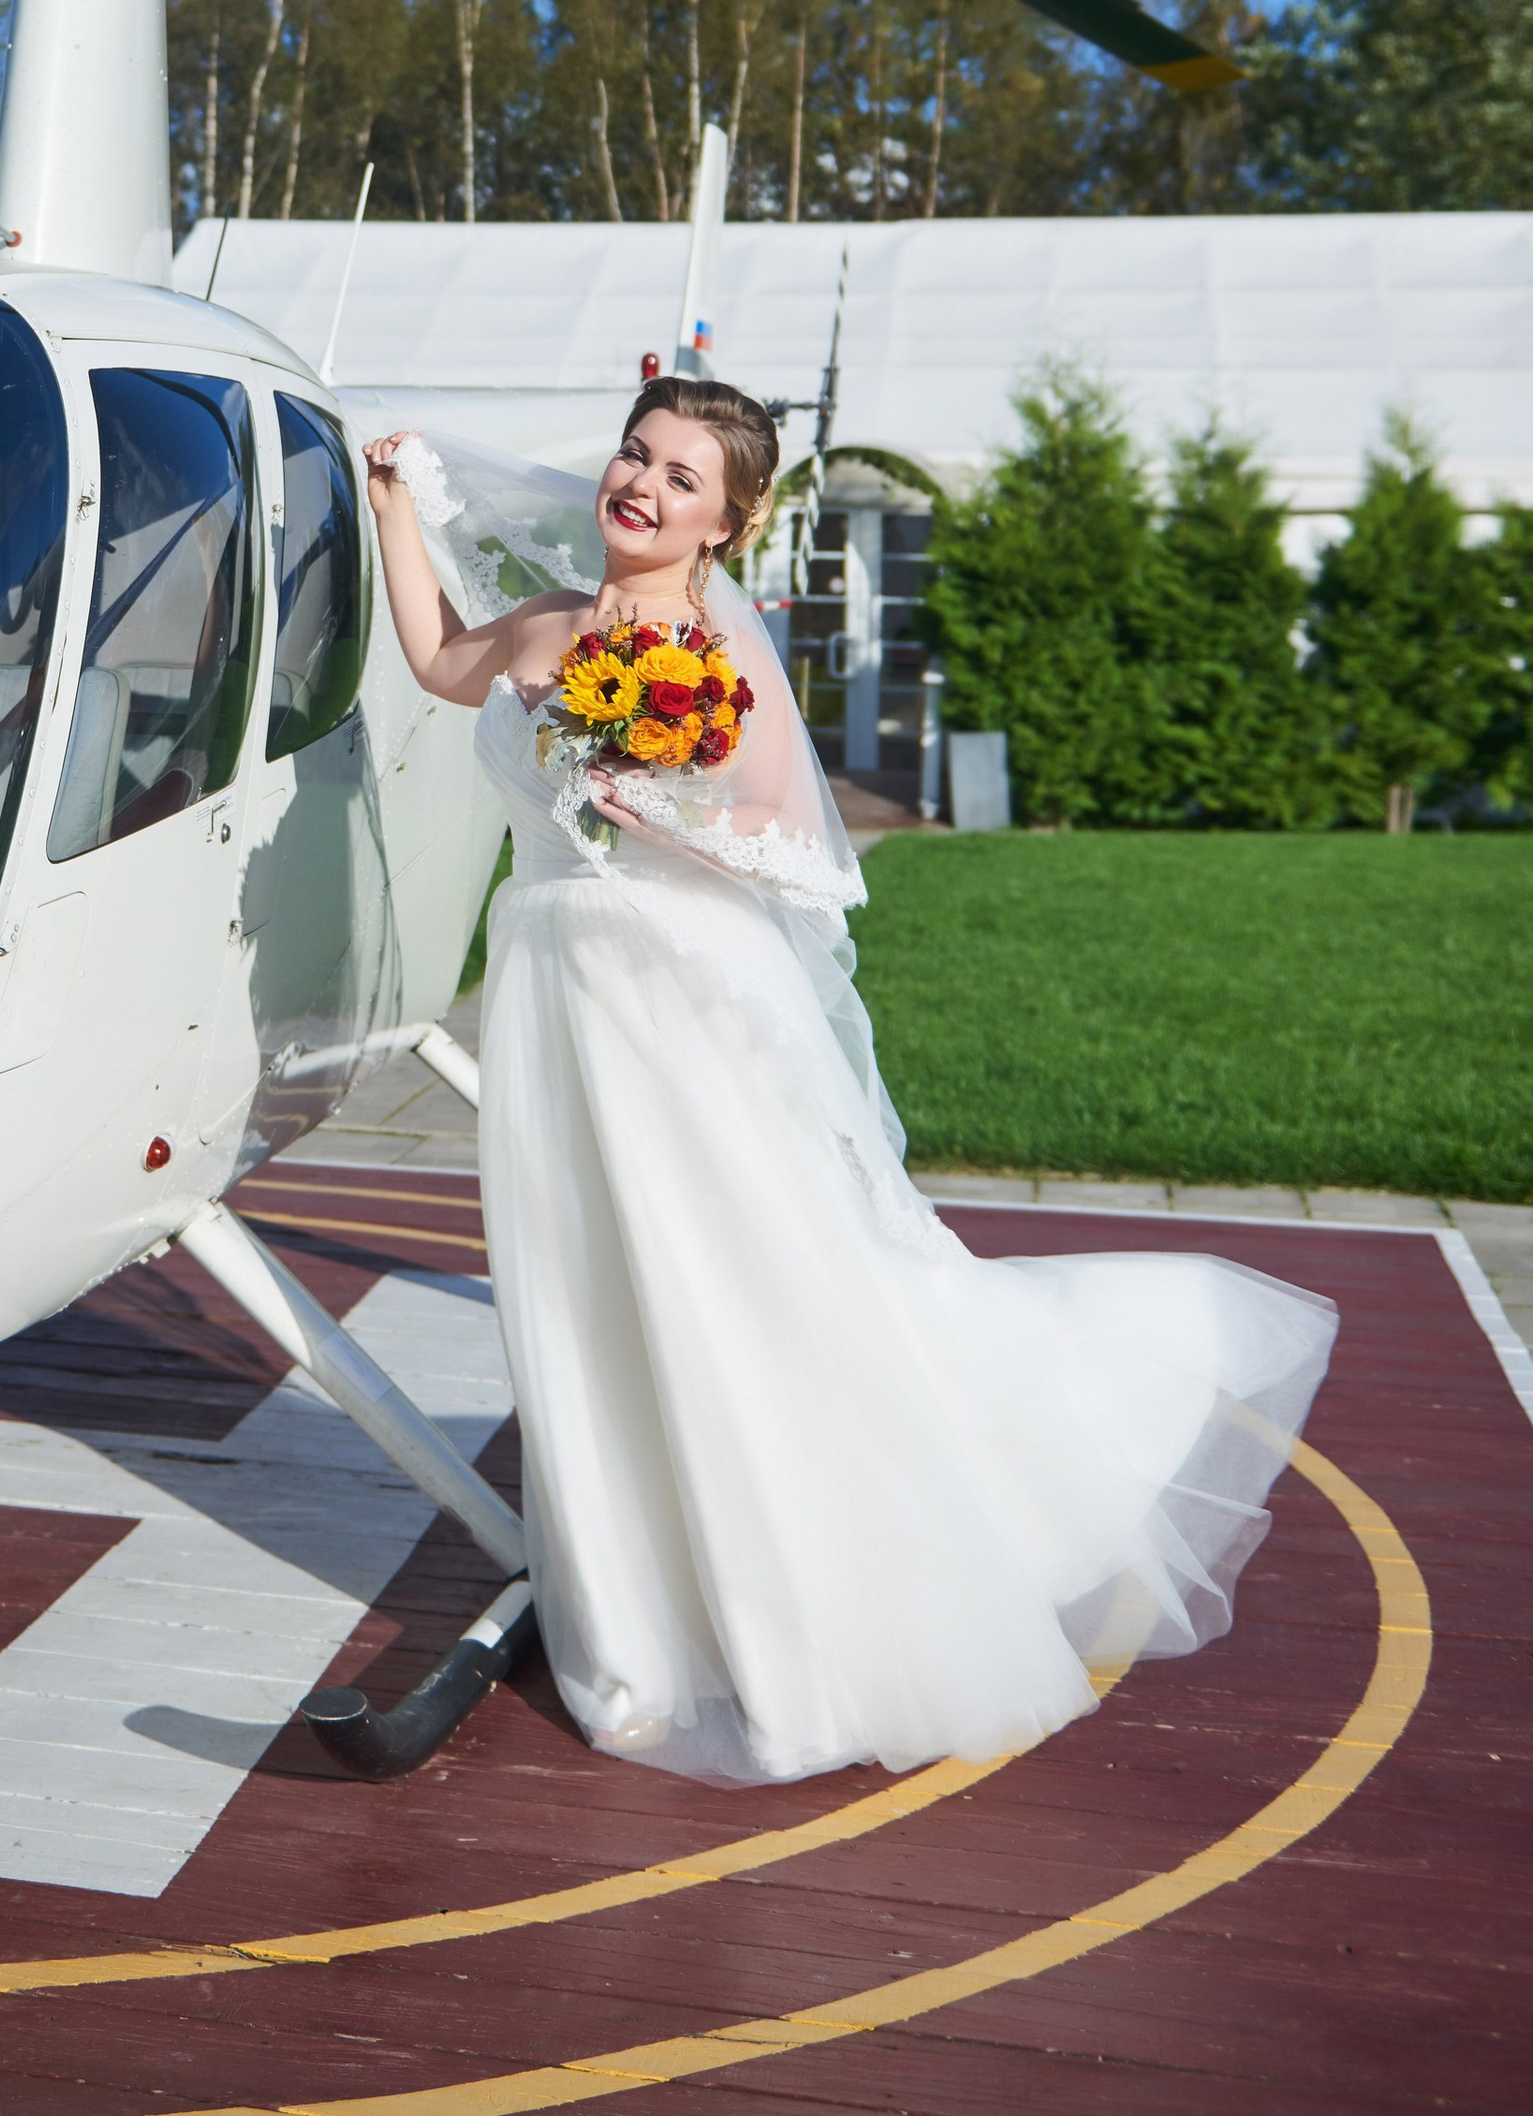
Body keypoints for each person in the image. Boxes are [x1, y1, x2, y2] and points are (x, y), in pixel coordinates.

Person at [364, 381, 1336, 1790]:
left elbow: (787, 841)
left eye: (682, 478)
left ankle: (796, 1629)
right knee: (588, 1296)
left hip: (680, 992)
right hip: (554, 987)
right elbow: (438, 661)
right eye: (636, 456)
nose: (642, 487)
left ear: (727, 520)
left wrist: (658, 813)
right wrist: (395, 509)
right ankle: (641, 1625)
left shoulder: (716, 651)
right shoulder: (549, 625)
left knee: (738, 1284)